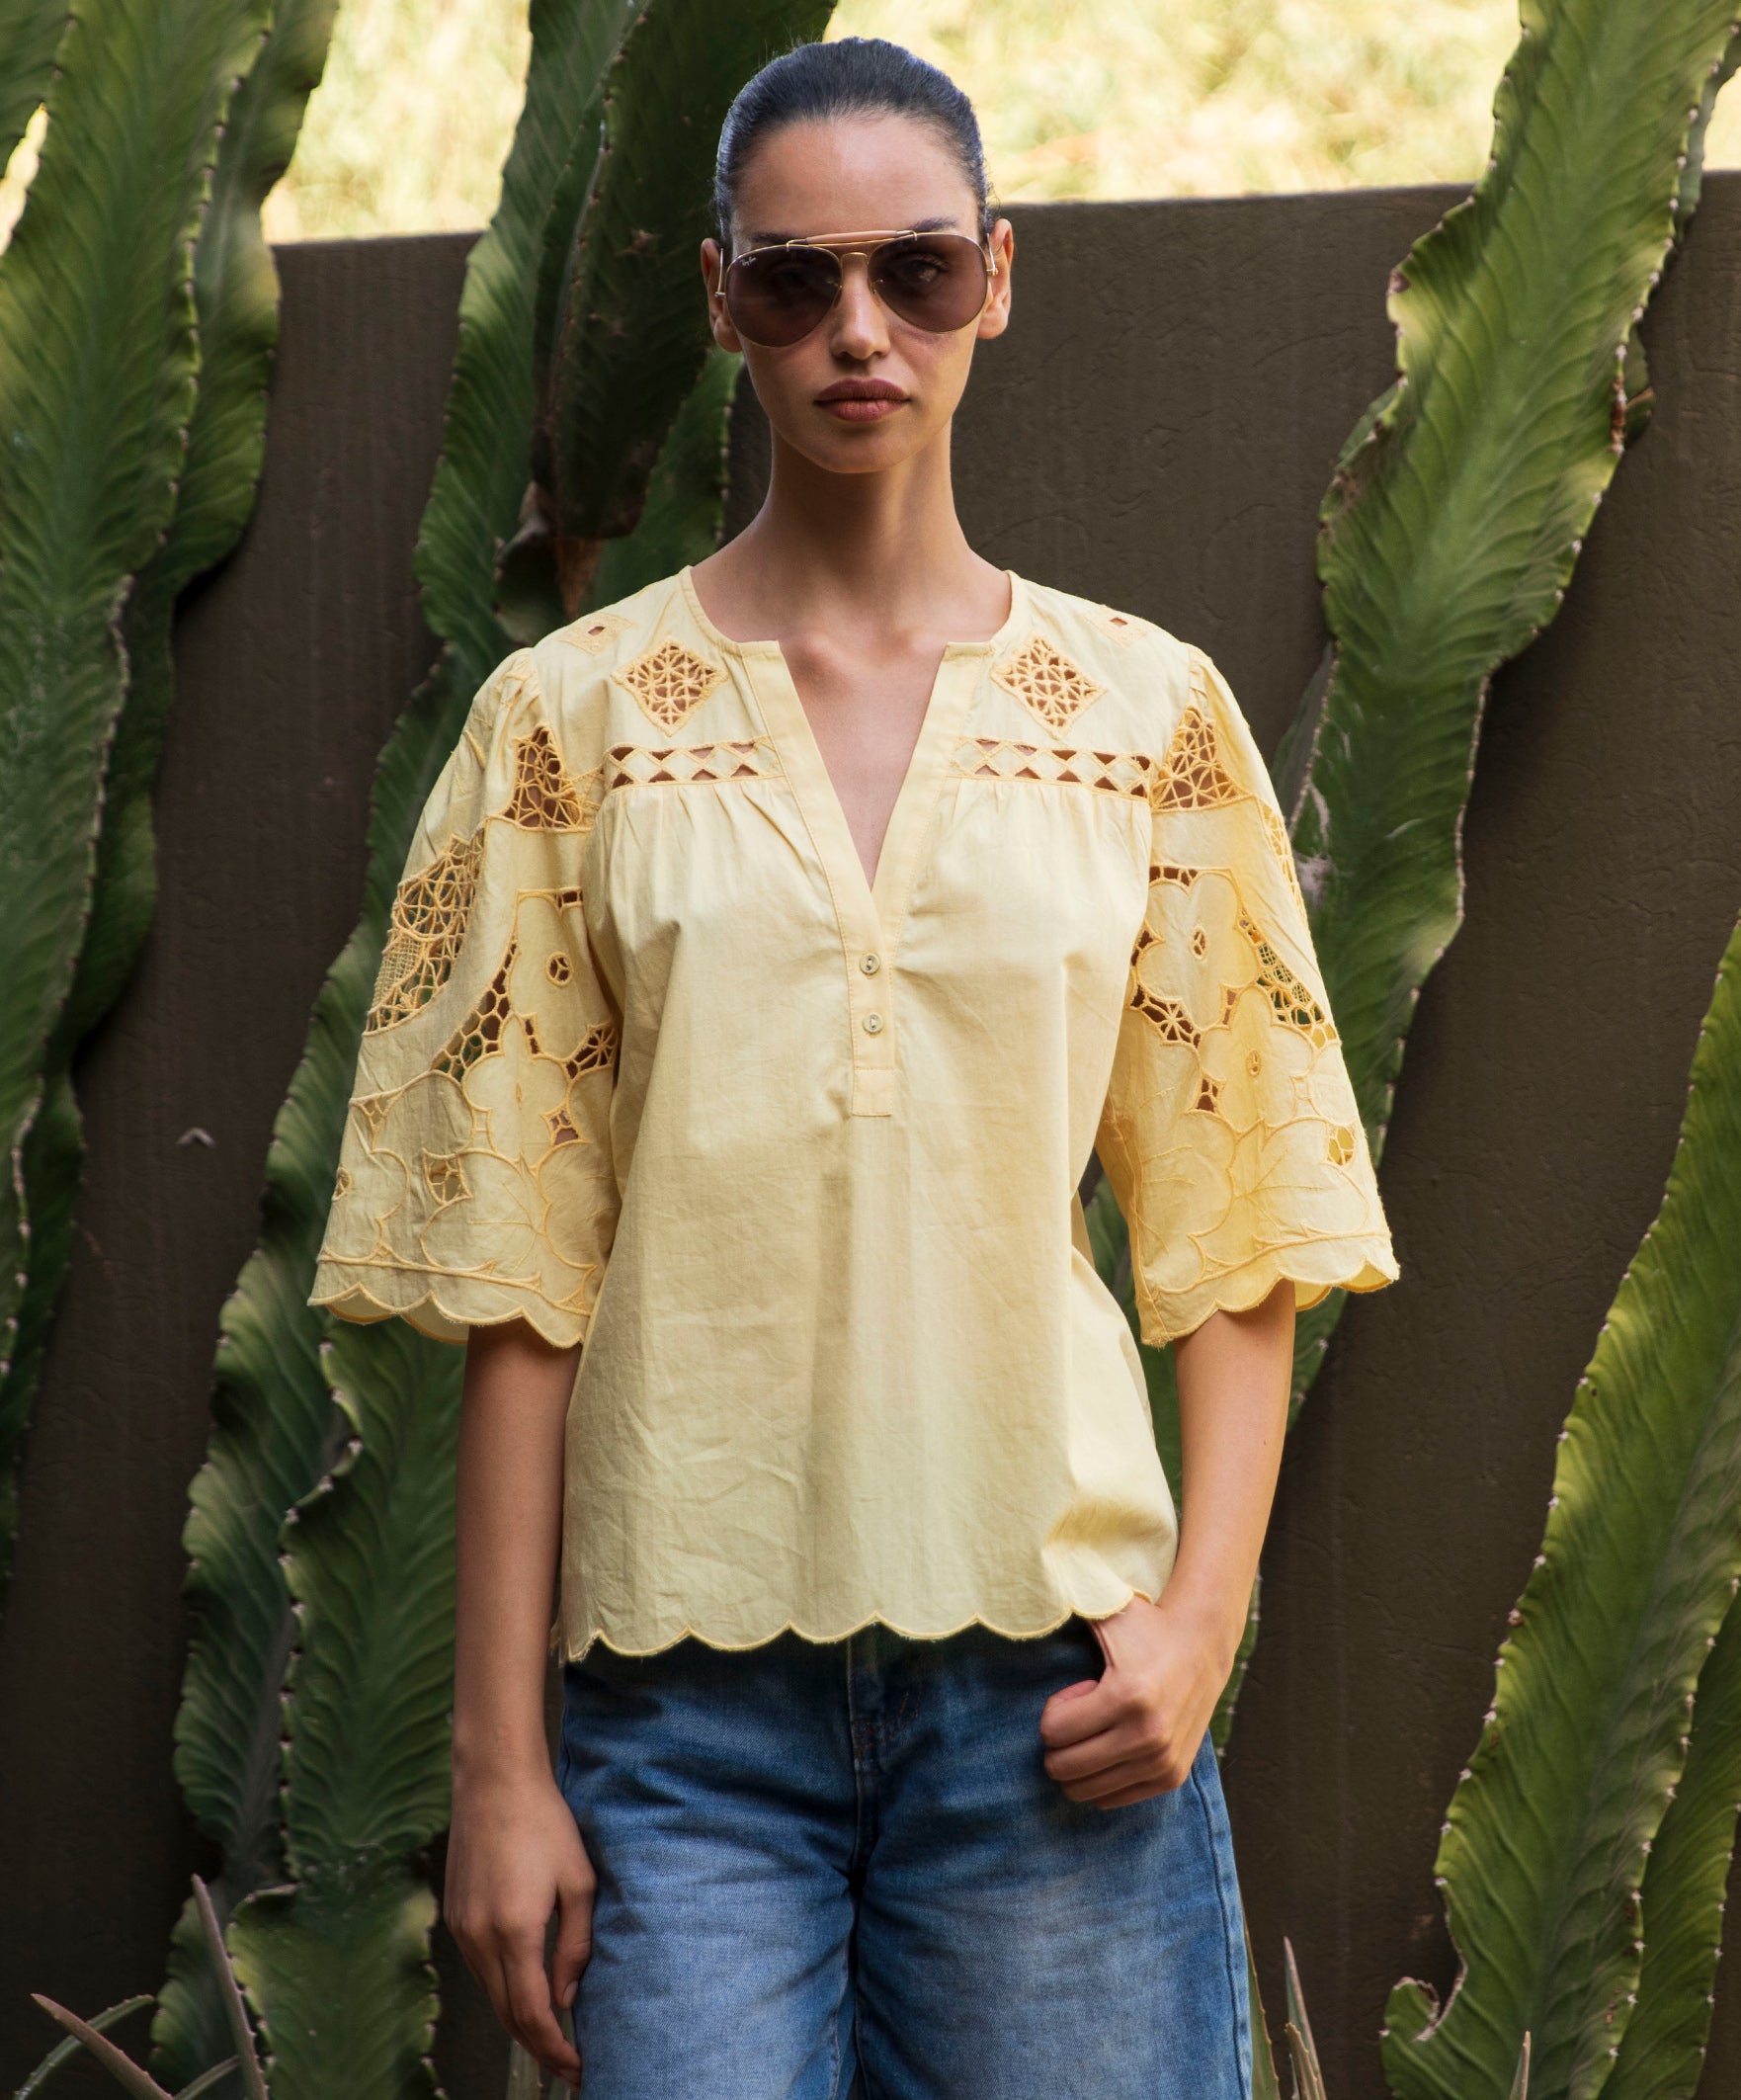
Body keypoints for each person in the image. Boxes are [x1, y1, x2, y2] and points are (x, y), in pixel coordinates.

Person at [310, 34, 1398, 2100]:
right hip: (676, 1736)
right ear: (721, 299)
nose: (856, 330)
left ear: (996, 275)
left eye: (910, 272)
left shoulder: (1142, 718)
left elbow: (1234, 1212)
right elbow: (517, 1282)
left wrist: (1196, 1626)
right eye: (795, 282)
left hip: (1053, 1713)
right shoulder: (567, 732)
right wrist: (502, 1769)